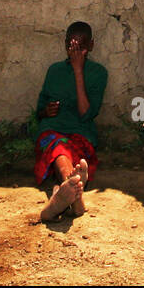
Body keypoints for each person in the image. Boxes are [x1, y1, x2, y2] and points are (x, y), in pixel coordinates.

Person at [34, 21, 108, 222]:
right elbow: (38, 112)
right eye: (70, 46)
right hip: (52, 129)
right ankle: (74, 190)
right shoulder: (55, 70)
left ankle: (64, 192)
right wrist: (46, 111)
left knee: (67, 151)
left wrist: (78, 70)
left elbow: (86, 114)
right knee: (58, 147)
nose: (74, 51)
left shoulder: (98, 73)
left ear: (91, 45)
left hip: (81, 132)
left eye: (80, 47)